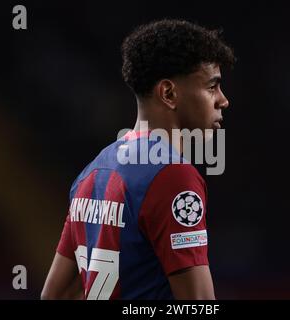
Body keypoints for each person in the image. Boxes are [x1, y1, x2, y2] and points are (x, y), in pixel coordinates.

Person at [41, 19, 235, 300]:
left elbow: (54, 296)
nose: (223, 99)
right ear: (169, 93)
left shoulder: (93, 171)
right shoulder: (173, 177)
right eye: (211, 87)